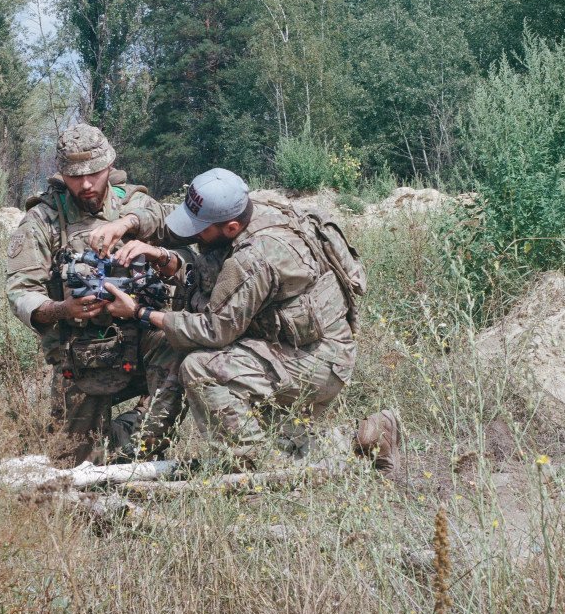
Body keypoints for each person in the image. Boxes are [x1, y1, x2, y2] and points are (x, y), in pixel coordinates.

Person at [94, 167, 403, 476]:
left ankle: (262, 473)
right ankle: (367, 436)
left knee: (203, 370)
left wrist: (139, 313)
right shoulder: (254, 207)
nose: (193, 234)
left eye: (200, 228)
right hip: (299, 344)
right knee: (279, 436)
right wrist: (145, 240)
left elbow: (214, 330)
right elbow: (188, 242)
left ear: (230, 227)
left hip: (315, 358)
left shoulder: (255, 257)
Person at [5, 124, 182, 465]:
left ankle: (132, 445)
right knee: (72, 460)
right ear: (61, 174)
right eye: (74, 176)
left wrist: (125, 225)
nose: (86, 185)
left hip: (144, 339)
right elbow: (20, 292)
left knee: (179, 365)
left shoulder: (131, 202)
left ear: (109, 167)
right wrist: (62, 309)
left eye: (94, 174)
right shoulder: (43, 220)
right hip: (81, 350)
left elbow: (161, 217)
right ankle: (109, 445)